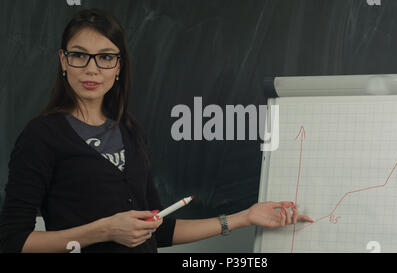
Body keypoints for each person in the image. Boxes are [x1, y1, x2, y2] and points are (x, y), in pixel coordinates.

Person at [0, 8, 313, 253]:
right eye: (79, 55)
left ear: (119, 66)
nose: (92, 68)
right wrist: (104, 230)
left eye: (106, 57)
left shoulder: (130, 131)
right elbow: (14, 242)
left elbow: (158, 229)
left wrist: (245, 217)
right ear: (63, 61)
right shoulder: (41, 136)